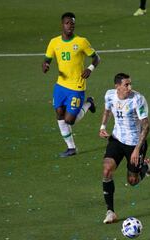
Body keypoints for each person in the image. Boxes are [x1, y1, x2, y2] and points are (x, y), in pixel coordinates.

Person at [42, 12, 100, 157]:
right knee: (59, 114)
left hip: (77, 86)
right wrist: (45, 66)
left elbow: (96, 58)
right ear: (62, 24)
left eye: (72, 23)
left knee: (69, 120)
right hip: (61, 85)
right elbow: (47, 59)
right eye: (67, 23)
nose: (70, 25)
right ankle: (71, 148)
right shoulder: (54, 42)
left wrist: (90, 68)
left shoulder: (81, 42)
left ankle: (88, 104)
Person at [99, 73, 150, 224]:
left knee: (132, 181)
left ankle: (144, 167)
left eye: (130, 84)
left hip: (135, 144)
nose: (130, 87)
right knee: (106, 170)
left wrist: (137, 149)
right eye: (126, 85)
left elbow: (146, 126)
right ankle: (110, 211)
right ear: (117, 86)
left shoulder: (138, 99)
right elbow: (107, 111)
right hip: (117, 139)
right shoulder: (109, 95)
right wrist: (103, 126)